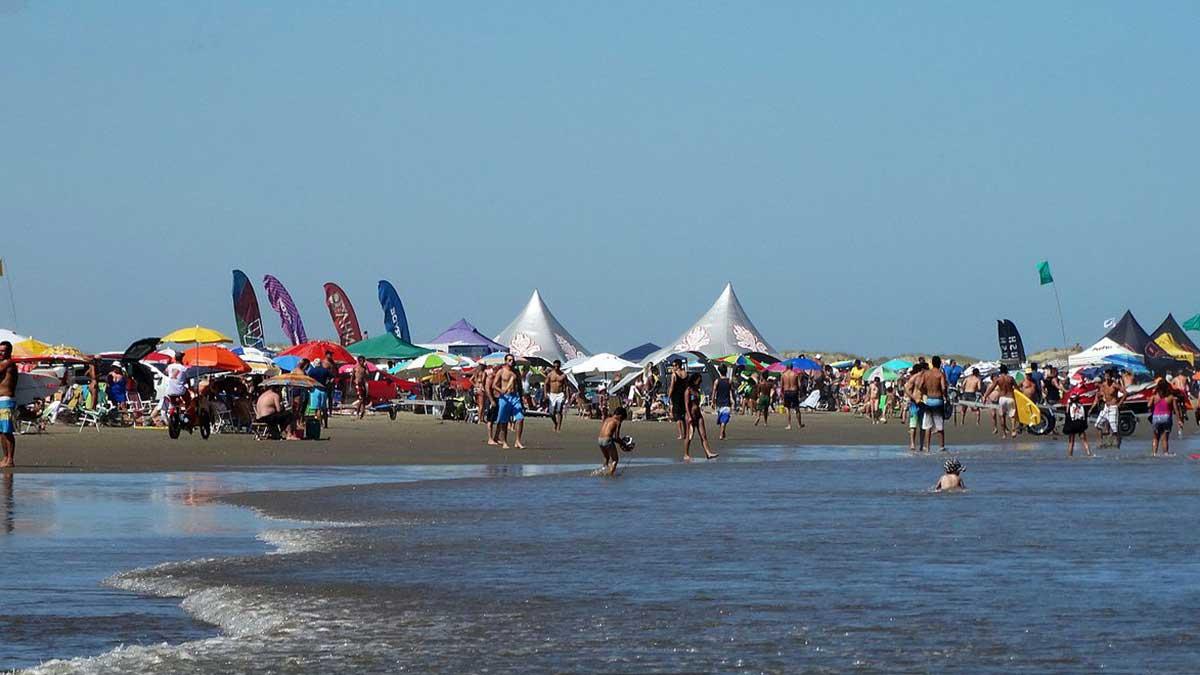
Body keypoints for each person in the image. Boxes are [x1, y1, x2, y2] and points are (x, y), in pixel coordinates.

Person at [683, 372, 719, 462]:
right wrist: (689, 416)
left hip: (698, 415)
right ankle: (686, 454)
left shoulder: (697, 391)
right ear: (695, 380)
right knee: (689, 436)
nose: (700, 382)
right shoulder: (688, 391)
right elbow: (686, 404)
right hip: (690, 415)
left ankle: (708, 453)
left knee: (703, 435)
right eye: (699, 380)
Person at [492, 354, 525, 449]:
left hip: (515, 397)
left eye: (512, 360)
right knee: (504, 420)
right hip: (504, 398)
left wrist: (522, 400)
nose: (512, 362)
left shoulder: (516, 372)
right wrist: (501, 391)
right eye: (509, 360)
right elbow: (494, 385)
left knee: (520, 418)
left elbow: (519, 386)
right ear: (506, 361)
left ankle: (518, 441)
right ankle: (505, 442)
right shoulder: (501, 371)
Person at [1091, 369, 1126, 448]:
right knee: (1097, 424)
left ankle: (1117, 441)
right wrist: (1099, 395)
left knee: (1114, 428)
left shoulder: (1115, 385)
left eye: (1108, 376)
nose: (1107, 377)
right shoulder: (1103, 384)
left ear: (1111, 376)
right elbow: (1102, 393)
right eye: (1106, 376)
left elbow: (1125, 393)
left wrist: (1119, 403)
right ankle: (1100, 442)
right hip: (1106, 407)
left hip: (1113, 407)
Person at [982, 364, 1018, 439]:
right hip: (1010, 397)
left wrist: (985, 396)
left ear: (1000, 371)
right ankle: (1013, 430)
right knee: (1012, 415)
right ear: (1007, 370)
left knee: (1002, 416)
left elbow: (991, 388)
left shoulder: (998, 379)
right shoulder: (1011, 378)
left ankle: (1004, 434)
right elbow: (1017, 388)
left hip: (1002, 399)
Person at [597, 406, 634, 476]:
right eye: (622, 419)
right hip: (607, 440)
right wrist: (624, 445)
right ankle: (610, 475)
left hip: (600, 439)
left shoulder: (607, 419)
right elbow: (616, 437)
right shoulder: (617, 422)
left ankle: (603, 471)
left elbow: (608, 435)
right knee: (615, 460)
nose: (622, 421)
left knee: (606, 458)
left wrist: (619, 442)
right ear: (620, 416)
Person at [1149, 379, 1180, 456]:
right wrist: (1179, 420)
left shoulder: (1154, 397)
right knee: (1165, 438)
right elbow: (1176, 409)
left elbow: (1149, 405)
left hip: (1156, 417)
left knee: (1156, 437)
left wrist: (1152, 407)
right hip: (1166, 417)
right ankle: (1166, 453)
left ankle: (1154, 454)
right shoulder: (1171, 397)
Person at [0, 341, 17, 468]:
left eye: (3, 351)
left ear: (9, 352)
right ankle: (5, 457)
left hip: (6, 400)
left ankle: (10, 459)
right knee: (1, 432)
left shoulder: (9, 363)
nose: (1, 353)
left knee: (7, 431)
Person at [903, 363, 926, 451]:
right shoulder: (914, 378)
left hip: (923, 403)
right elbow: (907, 389)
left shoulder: (925, 378)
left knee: (923, 425)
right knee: (913, 425)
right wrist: (914, 398)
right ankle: (912, 444)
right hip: (914, 404)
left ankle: (921, 444)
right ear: (922, 369)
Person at [711, 366, 734, 440]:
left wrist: (712, 401)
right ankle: (722, 434)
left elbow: (714, 392)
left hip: (719, 402)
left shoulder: (717, 381)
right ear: (726, 371)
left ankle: (722, 433)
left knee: (722, 418)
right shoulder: (729, 381)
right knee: (724, 418)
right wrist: (732, 399)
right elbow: (731, 391)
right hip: (726, 402)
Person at [545, 360, 569, 432]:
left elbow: (567, 386)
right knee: (551, 413)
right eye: (554, 366)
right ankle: (556, 423)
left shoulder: (563, 375)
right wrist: (545, 393)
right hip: (552, 394)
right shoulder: (550, 374)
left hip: (560, 394)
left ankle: (558, 427)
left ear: (560, 366)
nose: (556, 368)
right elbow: (546, 384)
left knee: (559, 410)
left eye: (557, 366)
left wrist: (567, 396)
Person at [667, 360, 688, 440]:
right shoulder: (685, 373)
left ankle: (681, 434)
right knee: (683, 415)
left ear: (678, 365)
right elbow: (687, 385)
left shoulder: (674, 375)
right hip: (684, 395)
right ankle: (686, 433)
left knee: (677, 416)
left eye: (674, 365)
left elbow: (672, 387)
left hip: (676, 396)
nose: (673, 367)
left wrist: (669, 396)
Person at [780, 362, 803, 430]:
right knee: (797, 408)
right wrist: (799, 392)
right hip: (794, 391)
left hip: (786, 392)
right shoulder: (795, 374)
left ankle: (789, 425)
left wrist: (782, 394)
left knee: (787, 408)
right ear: (792, 367)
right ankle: (799, 424)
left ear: (786, 367)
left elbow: (781, 386)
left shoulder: (783, 375)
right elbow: (799, 385)